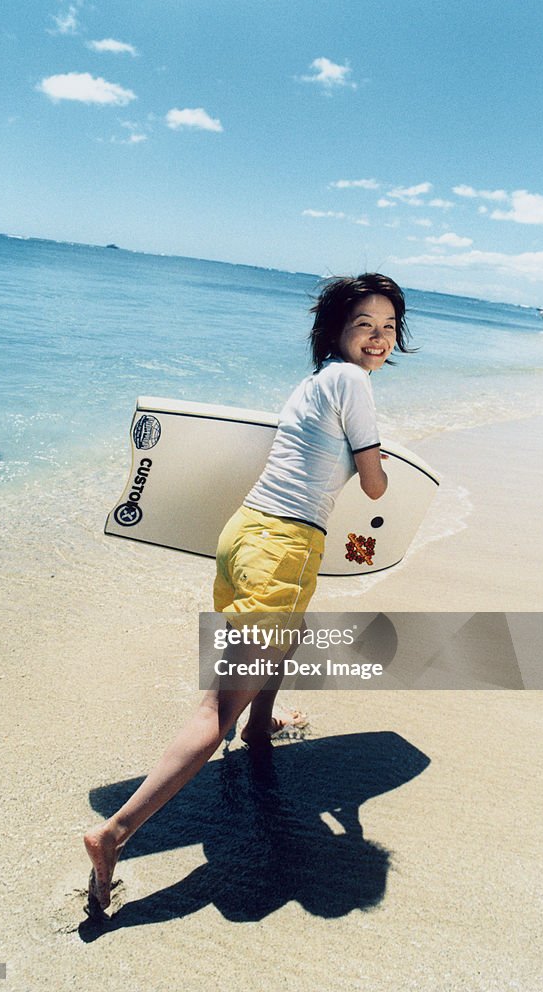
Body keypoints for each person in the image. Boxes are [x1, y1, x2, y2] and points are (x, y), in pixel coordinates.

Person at [84, 272, 414, 910]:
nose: (378, 338)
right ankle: (114, 833)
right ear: (338, 332)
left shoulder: (314, 383)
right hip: (285, 548)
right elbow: (374, 485)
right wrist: (379, 468)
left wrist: (350, 821)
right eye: (364, 325)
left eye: (388, 326)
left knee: (278, 645)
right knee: (214, 712)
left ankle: (261, 726)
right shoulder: (354, 383)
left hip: (246, 535)